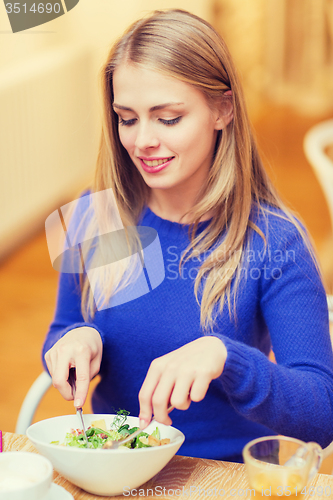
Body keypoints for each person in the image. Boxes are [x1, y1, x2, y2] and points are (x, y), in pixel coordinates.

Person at [43, 9, 333, 462]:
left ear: (223, 109)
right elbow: (62, 330)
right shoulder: (98, 216)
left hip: (223, 481)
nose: (142, 142)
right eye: (127, 118)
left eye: (168, 118)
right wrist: (77, 339)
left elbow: (322, 414)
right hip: (112, 473)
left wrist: (226, 357)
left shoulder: (274, 242)